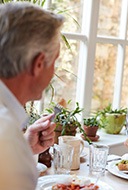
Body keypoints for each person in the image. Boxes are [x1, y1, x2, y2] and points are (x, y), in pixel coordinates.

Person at [0, 2, 64, 189]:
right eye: (55, 62)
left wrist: (25, 149)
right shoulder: (6, 138)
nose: (54, 72)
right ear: (39, 63)